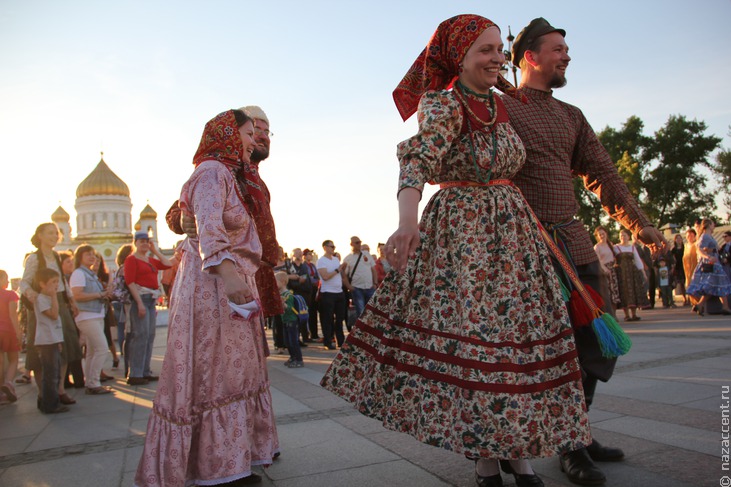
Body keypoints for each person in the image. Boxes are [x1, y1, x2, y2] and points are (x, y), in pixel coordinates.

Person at [322, 15, 591, 487]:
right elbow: (416, 163)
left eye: (497, 49)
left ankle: (520, 455)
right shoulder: (443, 106)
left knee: (516, 347)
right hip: (463, 241)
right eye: (484, 50)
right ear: (459, 58)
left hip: (513, 240)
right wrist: (407, 223)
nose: (496, 58)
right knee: (478, 346)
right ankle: (488, 462)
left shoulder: (505, 105)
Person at [501, 17, 667, 484]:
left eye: (566, 49)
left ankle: (579, 432)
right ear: (530, 56)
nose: (566, 55)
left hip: (575, 243)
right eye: (557, 49)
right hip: (526, 250)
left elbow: (604, 176)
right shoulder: (499, 109)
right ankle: (567, 445)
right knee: (546, 352)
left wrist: (642, 223)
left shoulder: (572, 115)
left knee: (594, 344)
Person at [135, 109, 279, 487]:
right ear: (229, 134)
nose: (257, 138)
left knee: (235, 372)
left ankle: (237, 456)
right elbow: (205, 224)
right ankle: (221, 469)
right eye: (250, 131)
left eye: (263, 131)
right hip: (215, 285)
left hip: (229, 279)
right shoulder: (214, 171)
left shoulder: (240, 174)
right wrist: (232, 280)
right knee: (218, 375)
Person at [19, 223, 83, 407]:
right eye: (50, 233)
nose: (55, 236)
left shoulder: (56, 256)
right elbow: (24, 283)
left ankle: (60, 390)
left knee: (65, 346)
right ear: (39, 235)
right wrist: (34, 297)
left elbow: (62, 282)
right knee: (39, 351)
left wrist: (71, 301)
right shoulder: (34, 258)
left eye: (56, 233)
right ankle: (43, 393)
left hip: (60, 303)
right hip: (41, 306)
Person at [124, 231, 174, 386]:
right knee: (140, 336)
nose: (144, 244)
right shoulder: (131, 260)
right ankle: (135, 373)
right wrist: (139, 303)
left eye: (147, 241)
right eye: (141, 241)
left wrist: (155, 251)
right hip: (141, 299)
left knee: (149, 336)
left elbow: (168, 264)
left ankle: (145, 371)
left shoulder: (149, 259)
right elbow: (130, 282)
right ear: (135, 243)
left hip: (151, 300)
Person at [69, 244, 114, 395]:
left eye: (93, 254)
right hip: (87, 316)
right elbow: (77, 295)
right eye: (88, 254)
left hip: (95, 315)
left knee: (92, 351)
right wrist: (99, 295)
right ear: (80, 257)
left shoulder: (90, 274)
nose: (92, 257)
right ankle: (94, 382)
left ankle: (90, 382)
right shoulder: (79, 274)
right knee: (102, 348)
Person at [33, 268, 69, 414]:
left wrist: (59, 341)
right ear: (42, 284)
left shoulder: (46, 298)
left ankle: (46, 401)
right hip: (46, 341)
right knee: (51, 375)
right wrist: (54, 297)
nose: (56, 285)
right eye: (53, 282)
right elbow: (53, 315)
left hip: (53, 340)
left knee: (54, 372)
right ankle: (50, 404)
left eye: (57, 282)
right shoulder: (42, 299)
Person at [686, 219, 731, 316]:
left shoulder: (709, 236)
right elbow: (699, 250)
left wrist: (714, 250)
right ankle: (725, 307)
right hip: (711, 264)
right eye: (713, 224)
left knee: (716, 285)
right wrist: (708, 256)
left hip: (715, 262)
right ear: (708, 225)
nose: (714, 225)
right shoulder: (705, 236)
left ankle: (702, 305)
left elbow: (707, 248)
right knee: (718, 284)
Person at [317, 240, 346, 351]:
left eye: (334, 246)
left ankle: (341, 341)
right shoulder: (321, 261)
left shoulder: (335, 260)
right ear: (325, 247)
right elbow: (325, 276)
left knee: (339, 318)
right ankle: (328, 341)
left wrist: (342, 269)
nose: (333, 248)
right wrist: (337, 270)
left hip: (339, 292)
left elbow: (341, 274)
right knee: (327, 319)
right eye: (331, 246)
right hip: (327, 293)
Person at [613, 229, 647, 321]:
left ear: (628, 236)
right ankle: (626, 314)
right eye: (621, 236)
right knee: (624, 292)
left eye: (624, 235)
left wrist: (642, 272)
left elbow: (637, 260)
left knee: (633, 291)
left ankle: (634, 314)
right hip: (621, 272)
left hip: (632, 272)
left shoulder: (632, 247)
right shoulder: (616, 247)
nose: (622, 237)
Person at [342, 236, 378, 320]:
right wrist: (348, 286)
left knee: (372, 311)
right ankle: (363, 331)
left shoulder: (366, 254)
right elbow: (343, 274)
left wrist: (375, 283)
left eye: (360, 242)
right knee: (361, 312)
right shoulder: (348, 258)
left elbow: (373, 269)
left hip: (369, 287)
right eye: (357, 243)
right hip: (357, 288)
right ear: (351, 244)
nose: (359, 244)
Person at [0, 269, 20, 403]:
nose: (8, 281)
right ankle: (8, 383)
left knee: (0, 362)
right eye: (6, 279)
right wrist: (19, 332)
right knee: (13, 359)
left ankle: (1, 394)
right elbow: (13, 315)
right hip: (8, 331)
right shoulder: (10, 295)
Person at [275, 271, 304, 368]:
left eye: (276, 282)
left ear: (283, 282)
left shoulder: (288, 295)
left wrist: (283, 304)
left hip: (292, 320)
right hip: (285, 320)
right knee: (287, 341)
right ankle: (292, 357)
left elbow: (290, 307)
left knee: (293, 341)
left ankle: (299, 359)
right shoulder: (280, 294)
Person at [593, 227, 620, 310]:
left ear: (606, 234)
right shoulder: (597, 247)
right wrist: (605, 269)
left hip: (612, 269)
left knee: (614, 292)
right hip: (604, 270)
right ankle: (609, 312)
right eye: (600, 234)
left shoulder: (610, 245)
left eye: (603, 234)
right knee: (607, 292)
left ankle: (615, 313)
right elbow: (598, 260)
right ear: (597, 236)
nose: (602, 236)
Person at [303, 249, 321, 340]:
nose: (311, 256)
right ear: (304, 256)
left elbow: (317, 276)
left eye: (311, 254)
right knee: (307, 312)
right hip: (307, 290)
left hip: (314, 289)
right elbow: (306, 277)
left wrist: (316, 280)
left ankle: (314, 333)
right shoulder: (303, 266)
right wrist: (312, 280)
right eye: (309, 254)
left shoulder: (313, 265)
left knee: (313, 312)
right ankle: (306, 333)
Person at [683, 228, 700, 311]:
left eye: (691, 235)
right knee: (688, 287)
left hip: (695, 269)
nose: (689, 237)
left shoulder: (696, 244)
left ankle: (699, 304)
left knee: (695, 287)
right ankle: (694, 303)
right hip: (687, 270)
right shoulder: (686, 246)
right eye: (688, 236)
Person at [670, 234, 689, 306]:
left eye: (680, 238)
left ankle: (689, 298)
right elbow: (671, 259)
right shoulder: (673, 250)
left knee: (687, 283)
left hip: (685, 266)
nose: (678, 240)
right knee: (680, 283)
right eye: (677, 239)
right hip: (678, 268)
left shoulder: (685, 247)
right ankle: (684, 299)